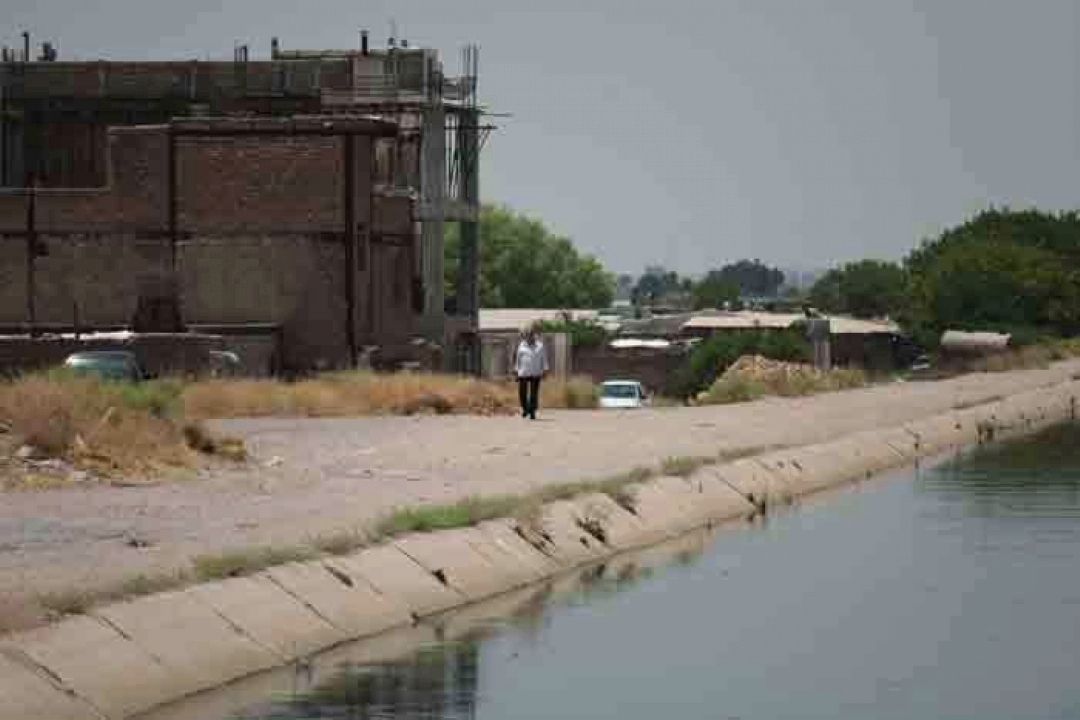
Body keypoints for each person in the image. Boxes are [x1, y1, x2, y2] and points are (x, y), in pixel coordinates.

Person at [514, 326, 549, 420]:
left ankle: (532, 411)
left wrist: (545, 370)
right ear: (525, 336)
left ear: (534, 336)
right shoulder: (521, 345)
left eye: (531, 335)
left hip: (535, 372)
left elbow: (544, 358)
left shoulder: (540, 346)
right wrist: (516, 370)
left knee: (533, 394)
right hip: (523, 372)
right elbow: (518, 359)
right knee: (522, 393)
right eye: (527, 335)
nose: (529, 337)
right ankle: (525, 409)